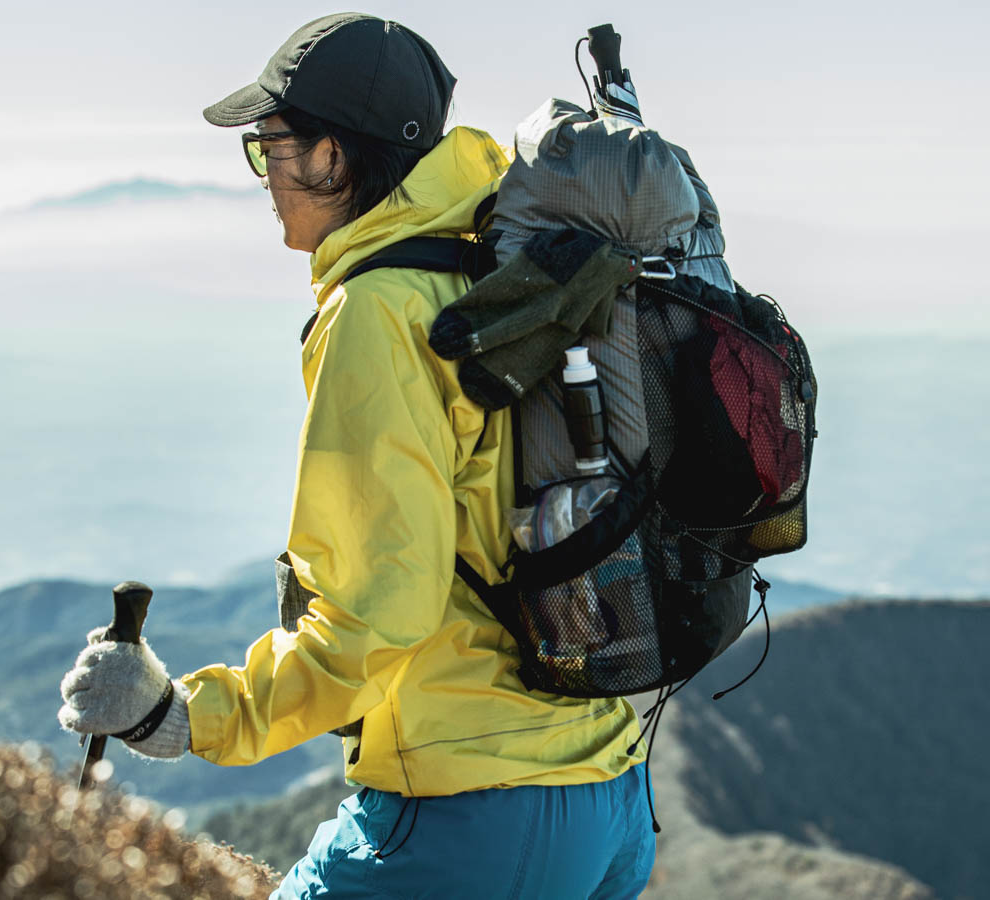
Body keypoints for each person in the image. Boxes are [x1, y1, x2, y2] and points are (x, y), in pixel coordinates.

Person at [57, 13, 655, 899]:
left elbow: (380, 612)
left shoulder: (380, 312)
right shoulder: (502, 264)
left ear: (332, 158)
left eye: (271, 147)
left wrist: (183, 716)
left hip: (473, 814)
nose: (266, 176)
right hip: (610, 792)